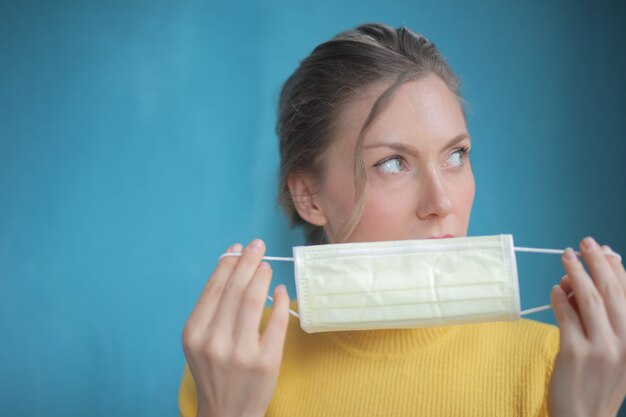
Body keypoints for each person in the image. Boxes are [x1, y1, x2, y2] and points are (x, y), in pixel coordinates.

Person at [178, 23, 626, 417]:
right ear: (309, 196)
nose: (442, 202)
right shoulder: (235, 363)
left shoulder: (557, 368)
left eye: (456, 155)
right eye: (393, 163)